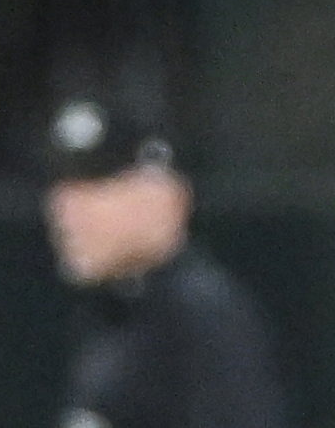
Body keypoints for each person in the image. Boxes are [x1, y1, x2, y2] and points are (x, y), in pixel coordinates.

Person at [44, 95, 288, 428]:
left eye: (96, 187)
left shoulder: (201, 319)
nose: (68, 210)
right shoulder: (111, 312)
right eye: (64, 187)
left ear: (163, 196)